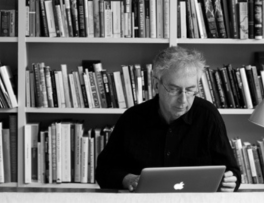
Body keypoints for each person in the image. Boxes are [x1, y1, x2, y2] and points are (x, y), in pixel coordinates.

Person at [95, 46, 241, 192]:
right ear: (156, 85)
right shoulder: (131, 119)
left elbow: (232, 171)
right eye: (174, 89)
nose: (183, 100)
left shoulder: (208, 116)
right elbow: (103, 171)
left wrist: (231, 181)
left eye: (190, 90)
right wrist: (128, 179)